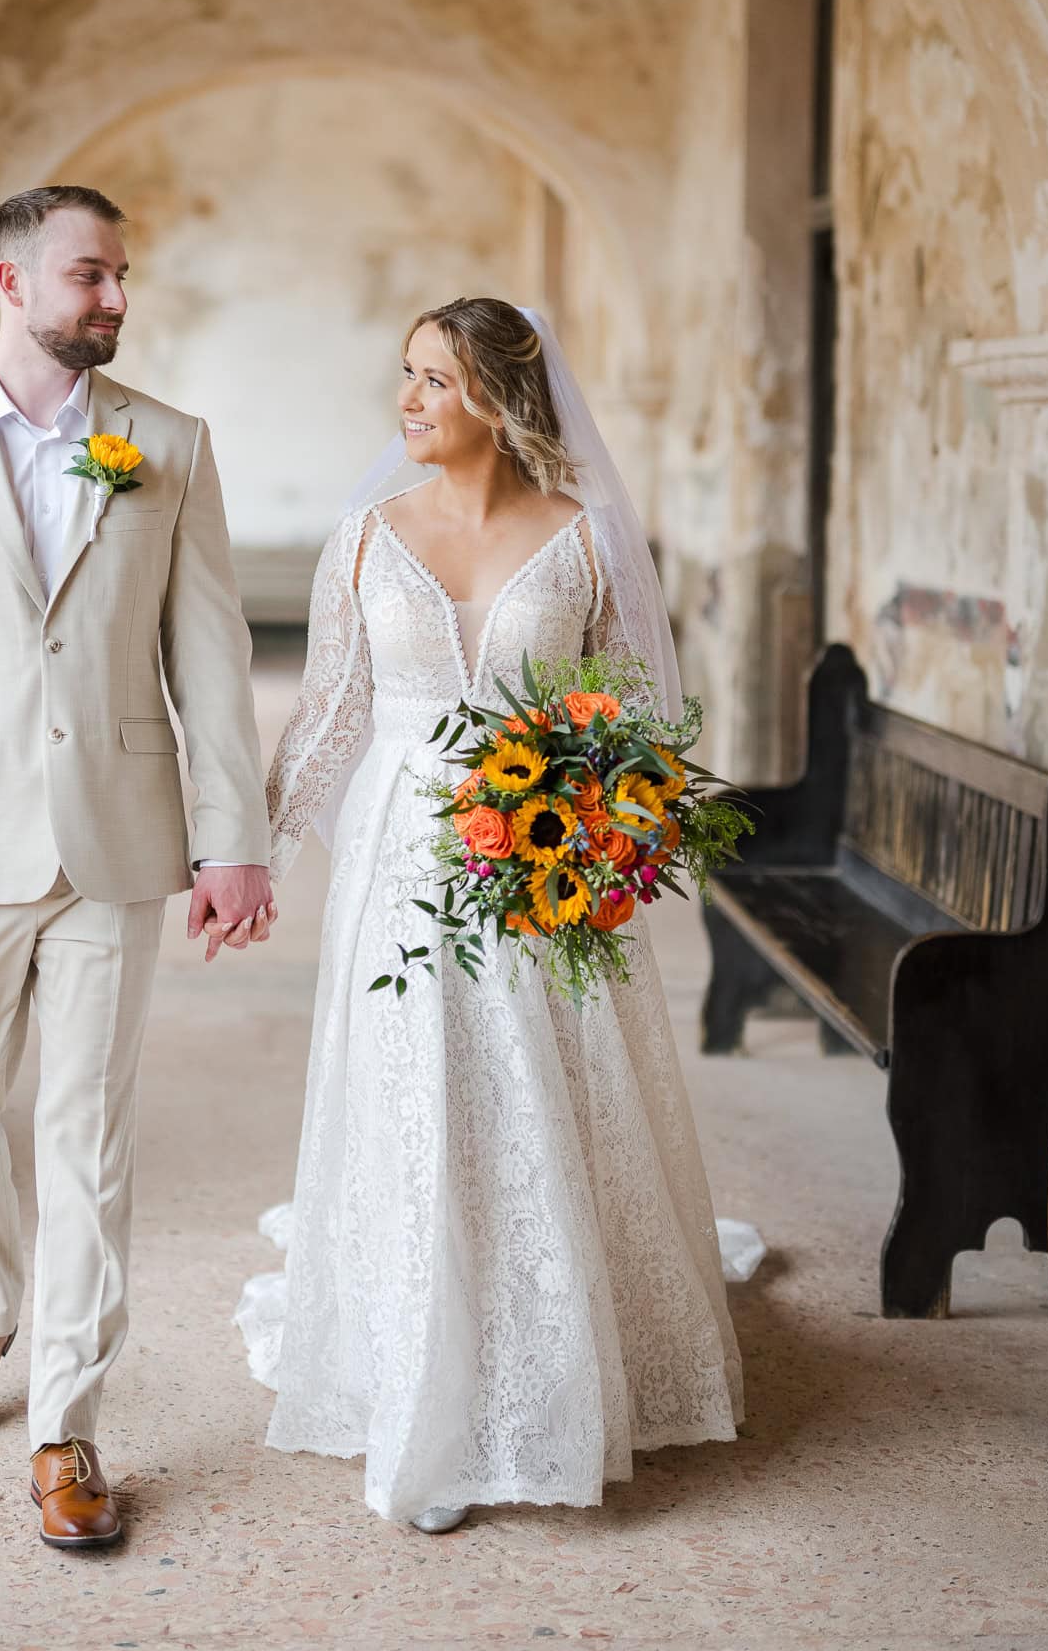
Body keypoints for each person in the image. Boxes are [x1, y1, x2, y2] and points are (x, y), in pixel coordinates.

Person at [243, 297, 742, 1529]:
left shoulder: (585, 541)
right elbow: (331, 715)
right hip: (402, 864)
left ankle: (553, 1370)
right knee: (417, 1093)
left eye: (436, 382)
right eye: (405, 375)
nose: (408, 401)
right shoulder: (365, 539)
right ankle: (420, 1384)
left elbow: (632, 719)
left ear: (505, 403)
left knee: (536, 1092)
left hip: (545, 861)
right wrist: (249, 858)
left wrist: (610, 828)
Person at [0, 183, 274, 1550]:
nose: (116, 298)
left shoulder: (169, 445)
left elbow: (209, 657)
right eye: (91, 274)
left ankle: (68, 1419)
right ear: (13, 284)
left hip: (115, 842)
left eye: (122, 276)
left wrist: (234, 837)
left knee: (88, 1131)